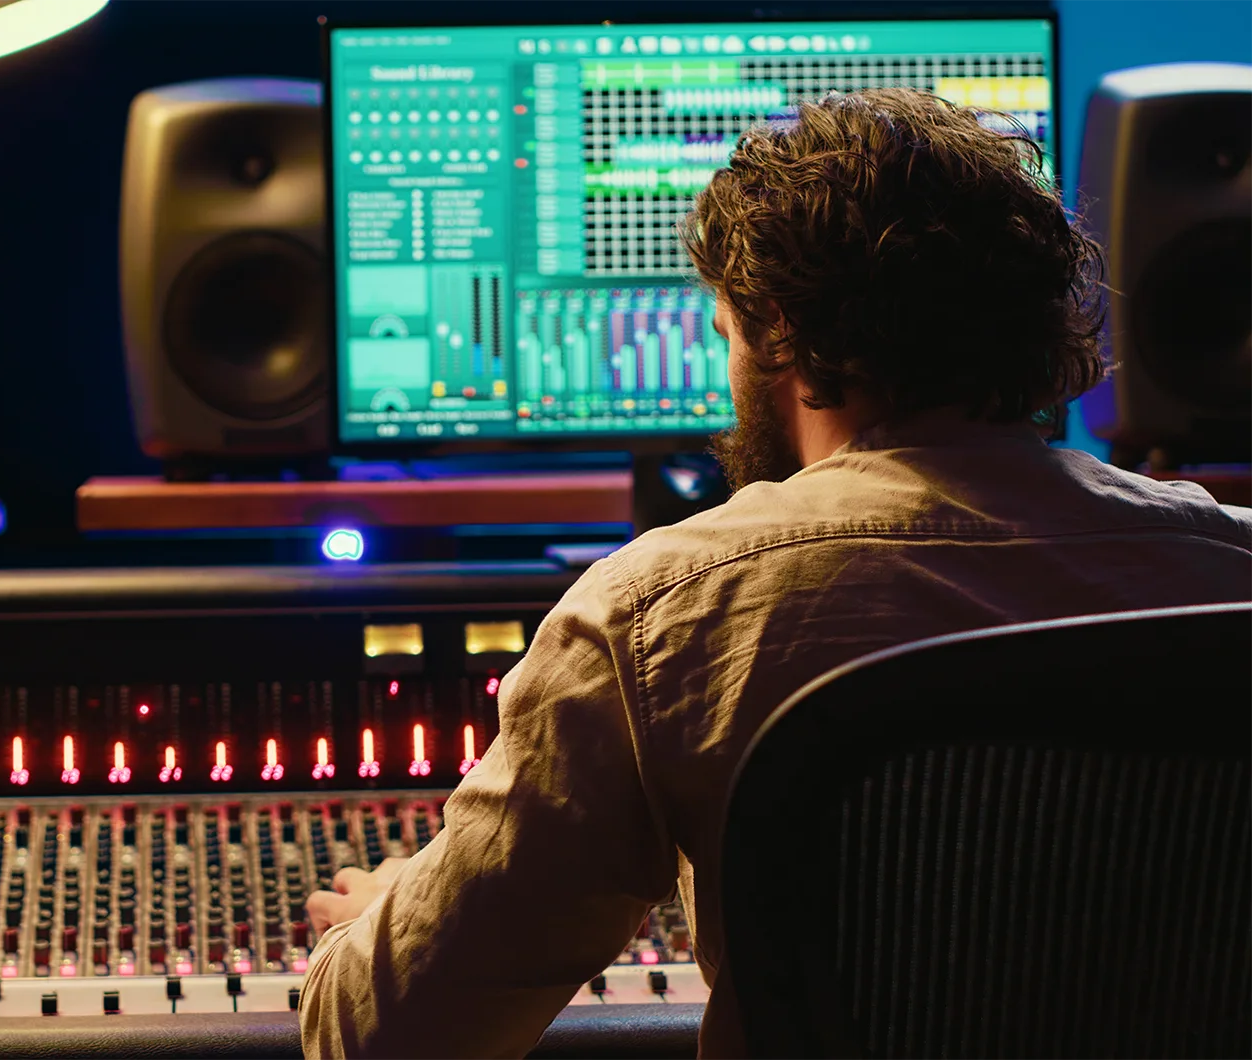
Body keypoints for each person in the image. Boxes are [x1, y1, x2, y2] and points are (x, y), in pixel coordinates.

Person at [298, 87, 1252, 1058]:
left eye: (726, 332)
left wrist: (374, 927)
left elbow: (384, 1037)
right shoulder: (1236, 565)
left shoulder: (655, 615)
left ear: (780, 329)